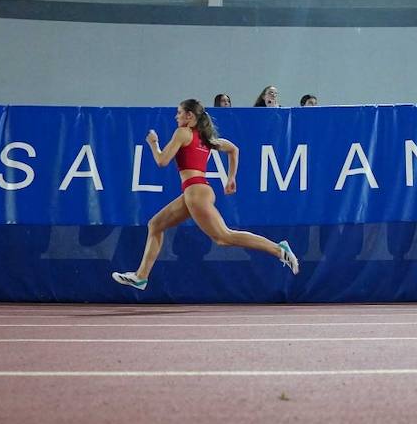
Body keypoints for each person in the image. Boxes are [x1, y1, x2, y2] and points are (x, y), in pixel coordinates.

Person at [112, 99, 299, 290]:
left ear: (189, 116)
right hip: (198, 191)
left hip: (195, 192)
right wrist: (231, 178)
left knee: (224, 237)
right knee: (155, 225)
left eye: (179, 113)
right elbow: (234, 150)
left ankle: (278, 249)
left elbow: (162, 161)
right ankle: (141, 276)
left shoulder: (182, 132)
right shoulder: (206, 138)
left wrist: (153, 143)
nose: (176, 116)